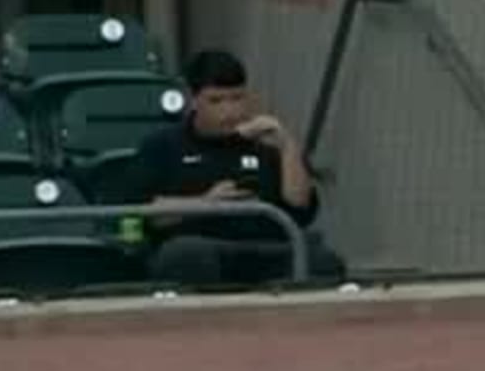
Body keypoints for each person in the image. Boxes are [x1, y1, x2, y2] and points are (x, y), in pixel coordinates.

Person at [125, 49, 348, 290]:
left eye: (237, 98)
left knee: (323, 261)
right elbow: (143, 211)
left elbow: (299, 206)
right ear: (193, 99)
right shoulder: (163, 144)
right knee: (184, 256)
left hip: (266, 247)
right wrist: (205, 203)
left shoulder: (264, 143)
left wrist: (287, 146)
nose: (229, 111)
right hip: (201, 245)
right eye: (216, 101)